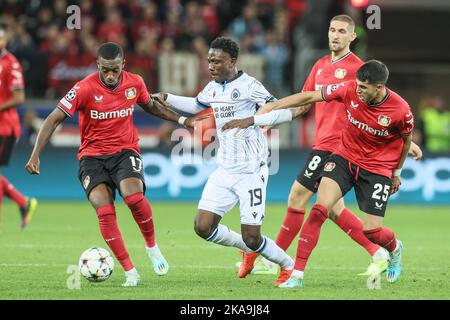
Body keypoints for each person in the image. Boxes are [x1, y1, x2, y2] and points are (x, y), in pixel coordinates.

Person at [235, 14, 422, 284]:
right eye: (332, 30)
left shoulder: (360, 70)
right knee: (331, 209)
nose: (335, 35)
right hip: (324, 142)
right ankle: (378, 253)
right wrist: (270, 116)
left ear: (352, 36)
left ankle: (272, 258)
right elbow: (305, 102)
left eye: (341, 31)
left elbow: (384, 114)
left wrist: (406, 145)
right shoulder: (320, 65)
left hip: (337, 146)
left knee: (298, 197)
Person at [25, 42, 196, 287]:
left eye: (114, 69)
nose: (110, 75)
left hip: (124, 152)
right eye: (105, 70)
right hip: (91, 158)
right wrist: (35, 154)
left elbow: (152, 106)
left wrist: (182, 119)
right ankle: (130, 272)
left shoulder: (135, 82)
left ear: (122, 65)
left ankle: (152, 247)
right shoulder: (83, 88)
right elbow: (53, 119)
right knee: (105, 211)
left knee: (134, 198)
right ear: (98, 66)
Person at [155, 37, 308, 285]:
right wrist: (166, 97)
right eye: (209, 61)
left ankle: (288, 266)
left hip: (251, 171)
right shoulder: (213, 87)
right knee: (203, 227)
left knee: (253, 237)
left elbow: (276, 110)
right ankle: (248, 250)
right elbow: (195, 106)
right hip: (224, 169)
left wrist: (255, 120)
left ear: (232, 61)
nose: (211, 66)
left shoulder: (250, 86)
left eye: (216, 61)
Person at [0, 23, 38, 229]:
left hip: (5, 128)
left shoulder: (11, 63)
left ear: (6, 40)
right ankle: (24, 203)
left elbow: (19, 97)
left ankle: (24, 203)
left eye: (1, 38)